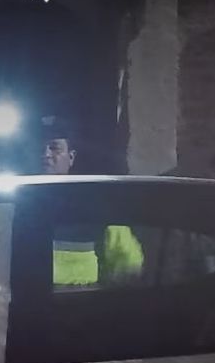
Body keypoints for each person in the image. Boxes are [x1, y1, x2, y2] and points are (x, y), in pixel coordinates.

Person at [36, 116, 144, 288]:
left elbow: (127, 260)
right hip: (22, 295)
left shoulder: (95, 203)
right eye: (40, 148)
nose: (46, 154)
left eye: (54, 148)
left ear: (71, 157)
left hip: (77, 296)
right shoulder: (16, 199)